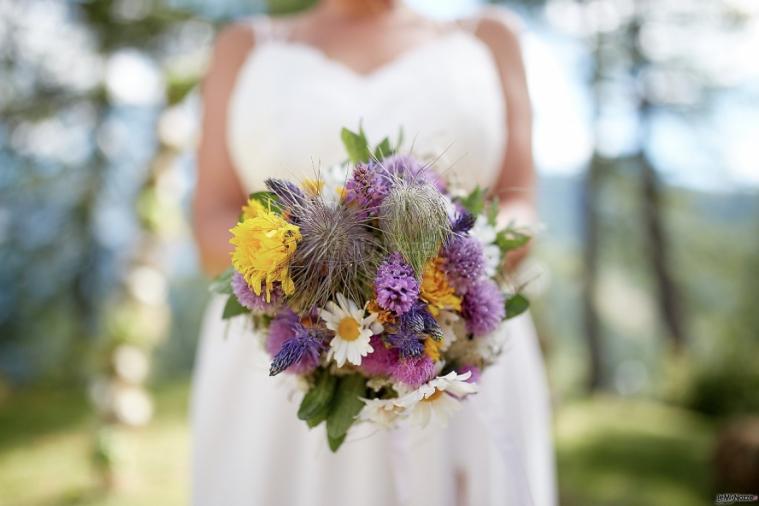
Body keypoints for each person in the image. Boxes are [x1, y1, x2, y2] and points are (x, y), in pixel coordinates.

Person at [192, 1, 556, 504]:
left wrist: (447, 264)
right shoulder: (246, 47)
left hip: (460, 341)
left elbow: (520, 201)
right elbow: (211, 220)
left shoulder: (489, 36)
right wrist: (315, 288)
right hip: (280, 364)